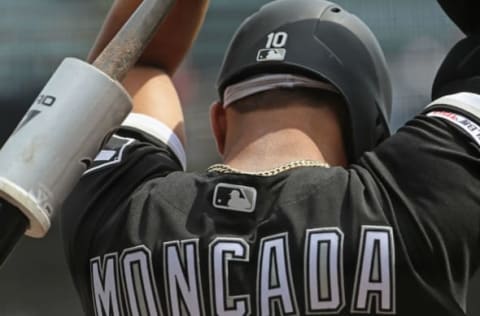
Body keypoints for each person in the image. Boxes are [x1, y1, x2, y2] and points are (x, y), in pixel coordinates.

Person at [61, 0, 480, 315]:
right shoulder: (409, 206)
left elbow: (137, 61)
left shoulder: (117, 216)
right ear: (365, 133)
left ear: (219, 124)